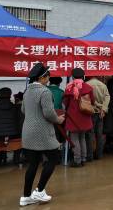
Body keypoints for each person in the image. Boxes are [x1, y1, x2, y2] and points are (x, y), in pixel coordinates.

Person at [20, 63, 65, 206]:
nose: (49, 79)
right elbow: (49, 114)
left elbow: (23, 110)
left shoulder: (27, 91)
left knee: (33, 164)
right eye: (48, 76)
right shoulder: (45, 92)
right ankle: (39, 190)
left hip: (27, 132)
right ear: (42, 77)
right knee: (54, 157)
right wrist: (59, 119)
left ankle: (26, 196)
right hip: (42, 132)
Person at [63, 68, 94, 167]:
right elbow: (92, 101)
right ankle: (83, 159)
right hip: (85, 117)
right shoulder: (88, 87)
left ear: (72, 77)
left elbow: (65, 103)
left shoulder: (69, 88)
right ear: (83, 76)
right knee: (82, 138)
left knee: (75, 139)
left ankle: (77, 160)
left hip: (73, 118)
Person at [86, 76, 110, 160]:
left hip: (90, 112)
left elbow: (87, 99)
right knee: (99, 134)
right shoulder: (103, 85)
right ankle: (99, 155)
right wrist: (103, 109)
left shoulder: (87, 84)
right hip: (100, 113)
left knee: (90, 134)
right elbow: (107, 97)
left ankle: (90, 155)